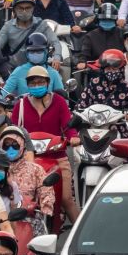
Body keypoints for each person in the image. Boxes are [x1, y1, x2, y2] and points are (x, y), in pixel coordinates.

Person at [9, 67, 79, 225]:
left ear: (48, 83)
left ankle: (82, 235)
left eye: (40, 82)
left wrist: (73, 137)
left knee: (67, 199)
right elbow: (13, 131)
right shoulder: (20, 105)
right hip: (28, 159)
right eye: (32, 83)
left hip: (56, 156)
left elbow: (68, 126)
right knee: (19, 198)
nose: (36, 85)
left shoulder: (59, 102)